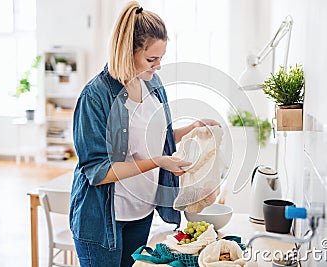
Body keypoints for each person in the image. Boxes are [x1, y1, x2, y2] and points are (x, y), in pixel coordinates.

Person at [69, 1, 220, 266]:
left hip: (141, 212)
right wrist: (159, 162)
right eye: (152, 59)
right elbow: (98, 171)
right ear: (128, 52)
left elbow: (156, 140)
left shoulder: (153, 83)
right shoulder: (95, 96)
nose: (158, 66)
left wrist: (191, 129)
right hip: (102, 221)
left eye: (161, 58)